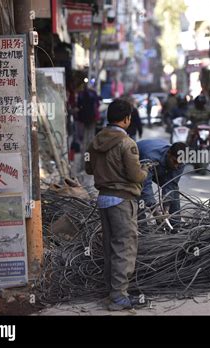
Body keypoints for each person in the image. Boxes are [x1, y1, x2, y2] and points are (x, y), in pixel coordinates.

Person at [85, 99, 150, 311]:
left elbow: (88, 168)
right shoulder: (127, 143)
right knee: (124, 247)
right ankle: (119, 297)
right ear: (127, 119)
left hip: (103, 199)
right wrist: (145, 171)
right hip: (122, 200)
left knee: (110, 247)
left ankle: (112, 292)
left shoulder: (95, 141)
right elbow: (135, 175)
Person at [137, 140, 187, 227]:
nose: (176, 166)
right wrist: (156, 213)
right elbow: (145, 186)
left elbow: (171, 185)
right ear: (169, 153)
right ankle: (142, 227)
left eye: (179, 164)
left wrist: (166, 210)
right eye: (174, 162)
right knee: (139, 193)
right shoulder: (150, 157)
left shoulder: (180, 163)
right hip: (139, 166)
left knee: (173, 191)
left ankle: (175, 226)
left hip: (160, 168)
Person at [77, 83, 100, 155]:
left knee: (84, 134)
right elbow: (98, 104)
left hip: (83, 117)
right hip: (92, 117)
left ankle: (84, 150)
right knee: (91, 134)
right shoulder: (94, 94)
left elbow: (78, 105)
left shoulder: (81, 94)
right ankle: (90, 151)